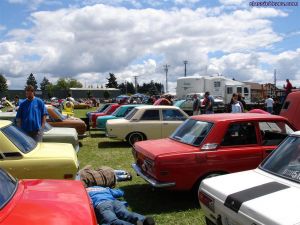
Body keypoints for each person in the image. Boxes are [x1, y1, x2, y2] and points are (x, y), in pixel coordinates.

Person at [87, 186, 155, 225]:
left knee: (111, 221)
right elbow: (119, 193)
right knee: (126, 213)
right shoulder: (103, 188)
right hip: (115, 202)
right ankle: (144, 219)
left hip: (102, 204)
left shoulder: (85, 191)